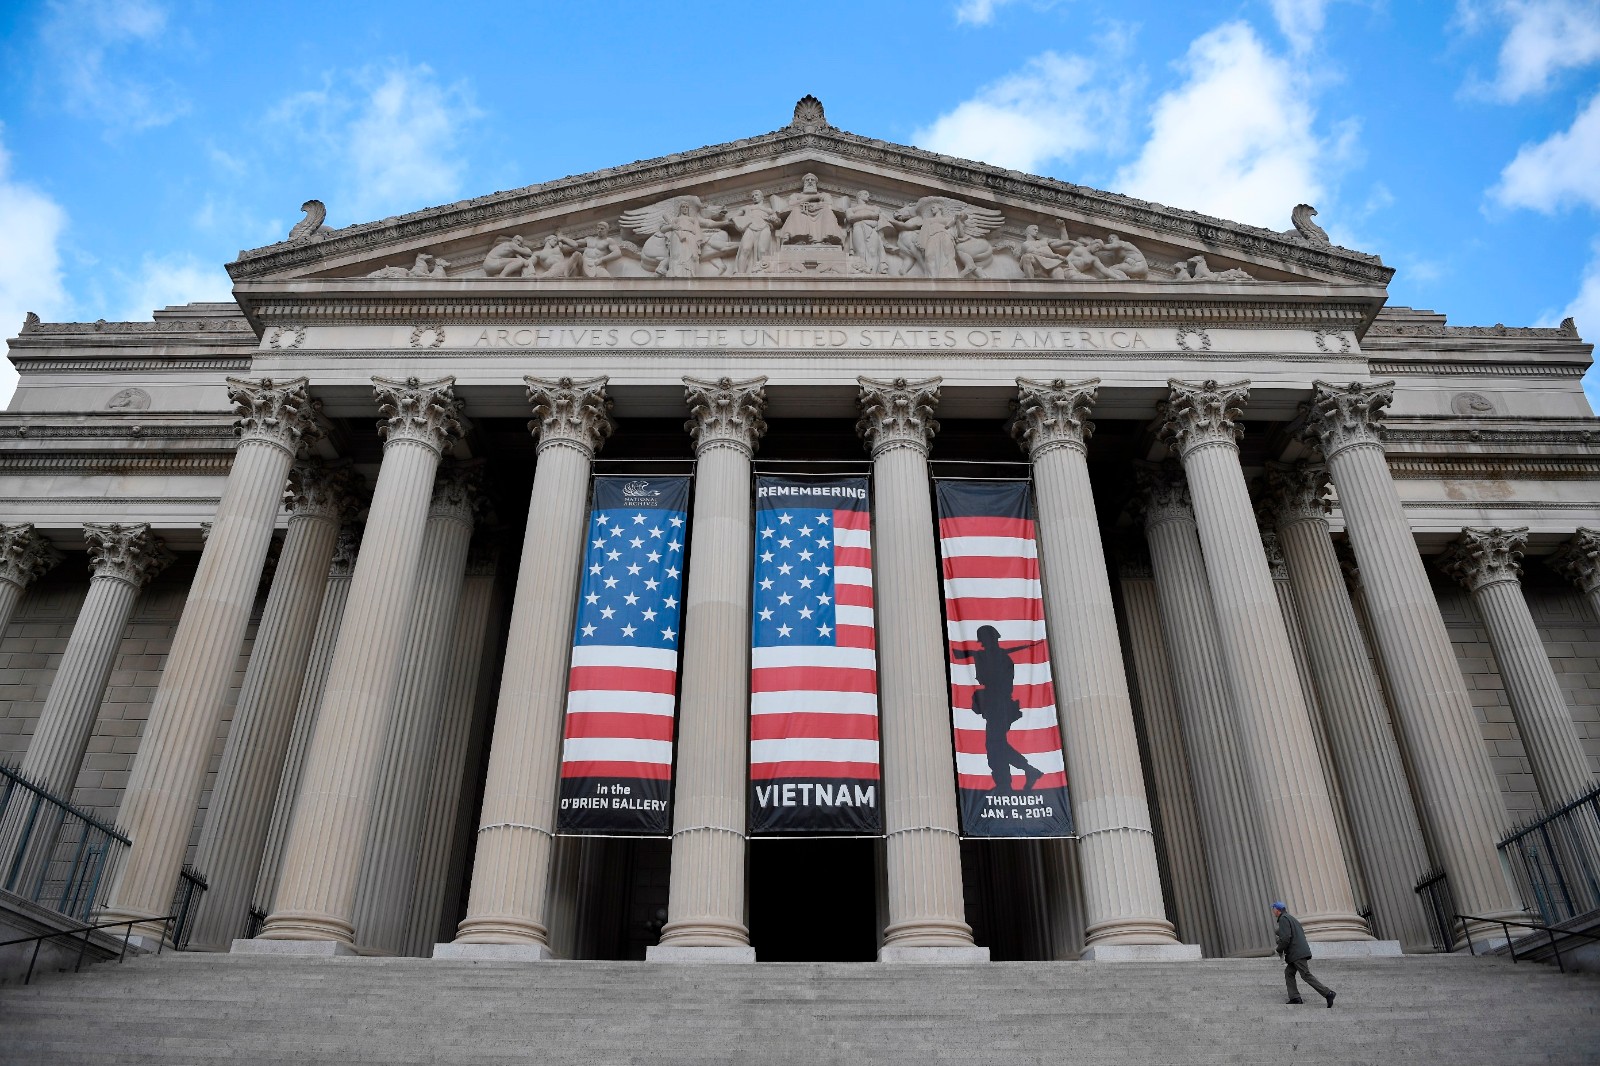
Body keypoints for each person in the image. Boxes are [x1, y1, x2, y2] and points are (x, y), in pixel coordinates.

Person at [952, 625, 1045, 792]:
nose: (984, 643)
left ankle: (1007, 782)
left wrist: (985, 659)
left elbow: (998, 682)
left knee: (995, 745)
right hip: (994, 705)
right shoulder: (989, 656)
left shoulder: (1002, 659)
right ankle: (1026, 772)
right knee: (997, 744)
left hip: (1000, 705)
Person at [1273, 901, 1336, 1007]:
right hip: (1297, 952)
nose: (1272, 911)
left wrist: (1279, 949)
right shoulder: (1291, 918)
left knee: (1305, 975)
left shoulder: (1283, 919)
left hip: (1297, 952)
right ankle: (1295, 998)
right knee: (1289, 972)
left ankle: (1328, 993)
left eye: (1273, 909)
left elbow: (1286, 938)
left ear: (1277, 910)